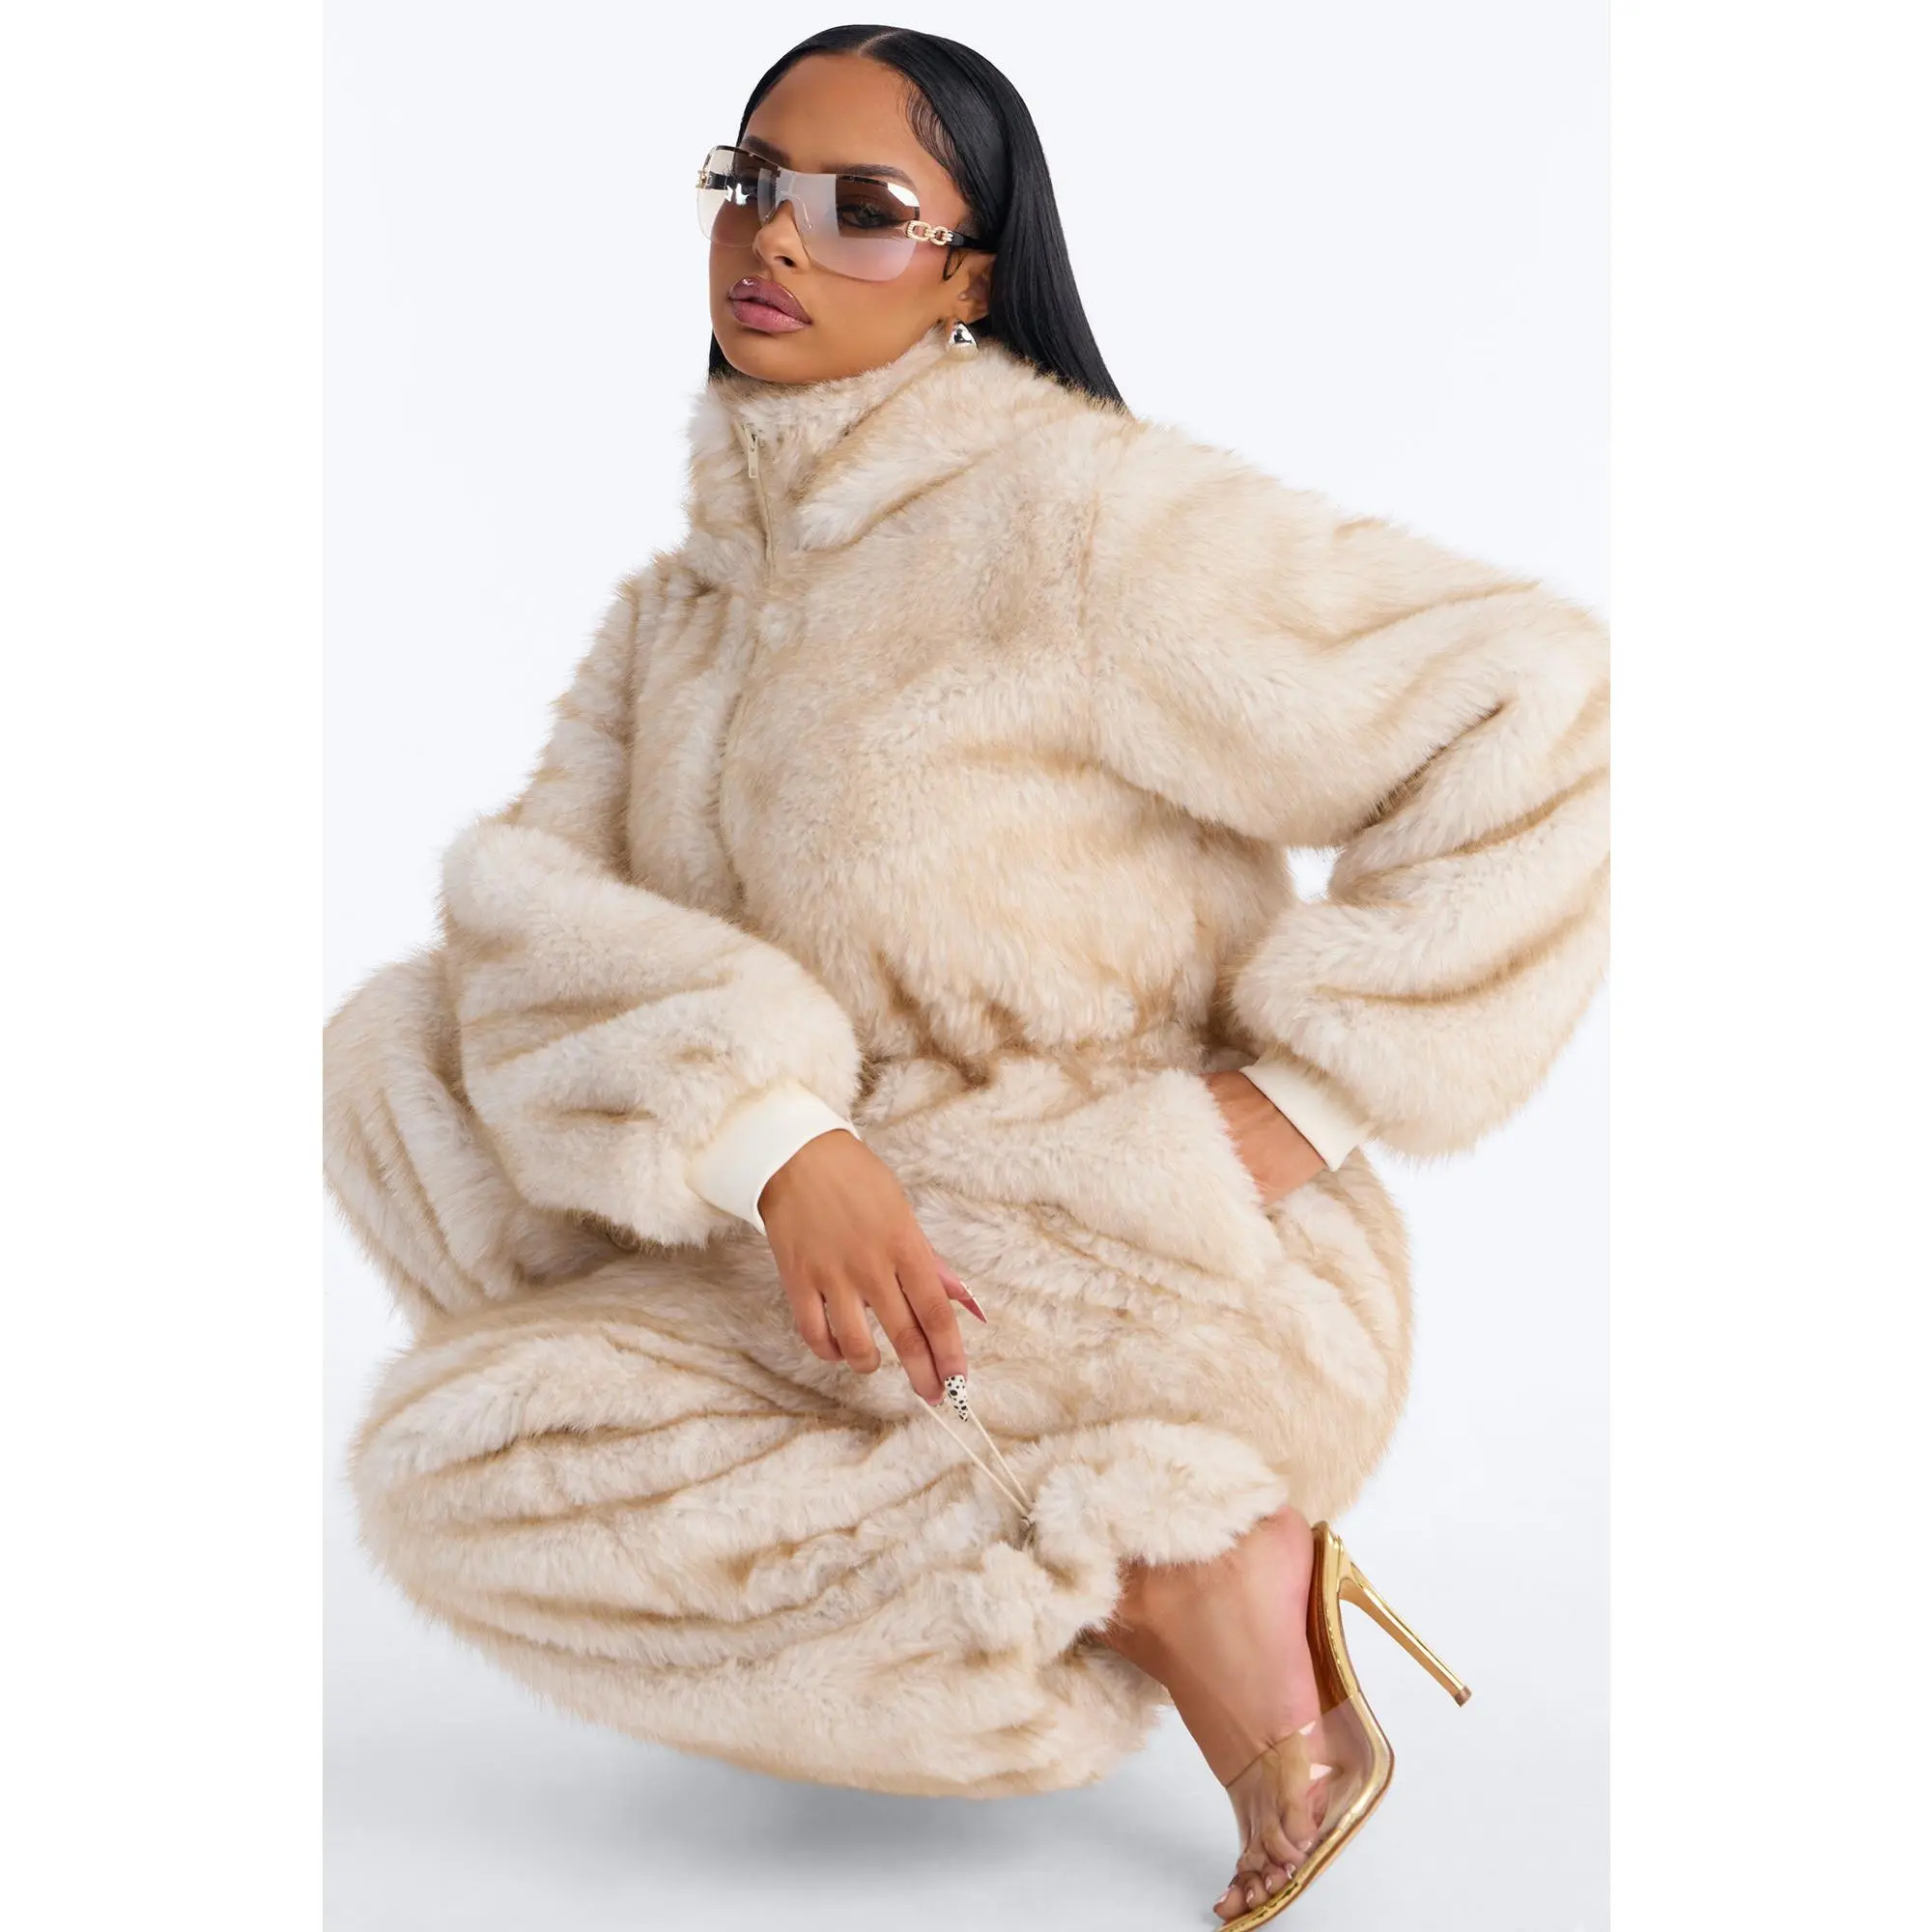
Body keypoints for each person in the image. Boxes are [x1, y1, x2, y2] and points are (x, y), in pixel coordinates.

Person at [324, 25, 1608, 1923]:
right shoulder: (681, 615)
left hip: (1143, 1253)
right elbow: (526, 909)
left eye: (862, 207)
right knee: (397, 1057)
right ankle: (1109, 1547)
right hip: (871, 1239)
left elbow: (1533, 695)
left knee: (462, 1465)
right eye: (752, 183)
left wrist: (1305, 1101)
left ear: (970, 275)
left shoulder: (1078, 524)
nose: (775, 237)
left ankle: (1175, 1555)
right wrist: (777, 1139)